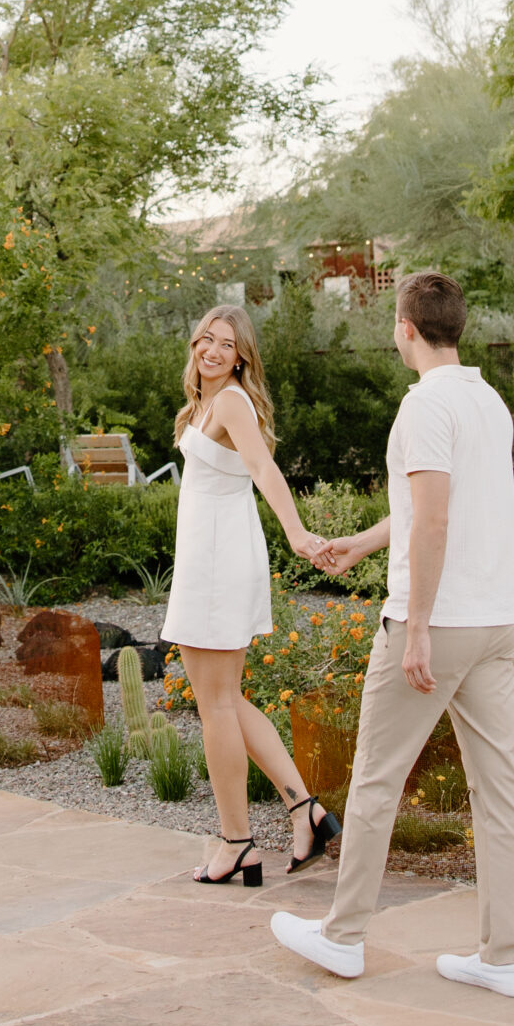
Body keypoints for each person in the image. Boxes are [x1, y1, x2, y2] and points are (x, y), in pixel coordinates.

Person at [269, 269, 514, 995]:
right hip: (494, 624)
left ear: (404, 329)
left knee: (376, 781)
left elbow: (437, 519)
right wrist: (360, 541)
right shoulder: (487, 401)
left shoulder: (423, 406)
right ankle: (505, 958)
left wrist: (414, 625)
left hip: (436, 625)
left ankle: (343, 936)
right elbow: (431, 509)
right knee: (501, 791)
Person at [162, 304, 344, 887]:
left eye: (225, 344)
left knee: (215, 705)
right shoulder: (208, 404)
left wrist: (297, 534)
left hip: (217, 563)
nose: (212, 351)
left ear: (242, 356)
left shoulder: (233, 401)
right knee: (226, 699)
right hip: (210, 558)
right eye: (204, 339)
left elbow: (266, 470)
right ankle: (304, 811)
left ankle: (236, 842)